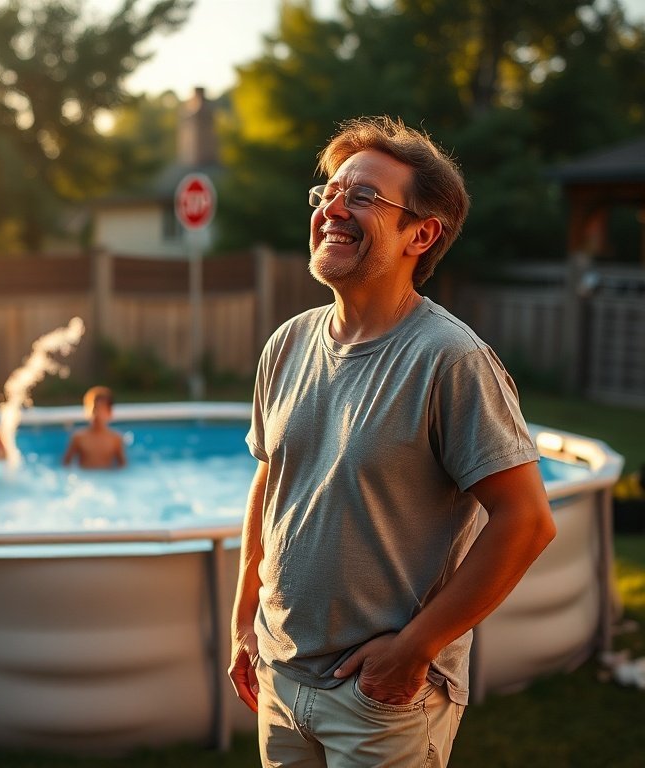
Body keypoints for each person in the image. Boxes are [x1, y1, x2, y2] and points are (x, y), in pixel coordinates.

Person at [228, 116, 557, 768]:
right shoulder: (287, 344)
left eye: (362, 197)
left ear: (422, 233)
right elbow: (271, 481)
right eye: (327, 193)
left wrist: (415, 650)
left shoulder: (450, 359)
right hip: (283, 677)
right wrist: (246, 619)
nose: (332, 209)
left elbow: (527, 521)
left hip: (380, 699)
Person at [62, 386, 127, 469]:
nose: (97, 414)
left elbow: (122, 466)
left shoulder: (115, 439)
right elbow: (66, 465)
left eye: (101, 410)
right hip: (86, 479)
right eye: (94, 409)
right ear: (87, 411)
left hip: (107, 478)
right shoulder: (78, 437)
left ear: (109, 413)